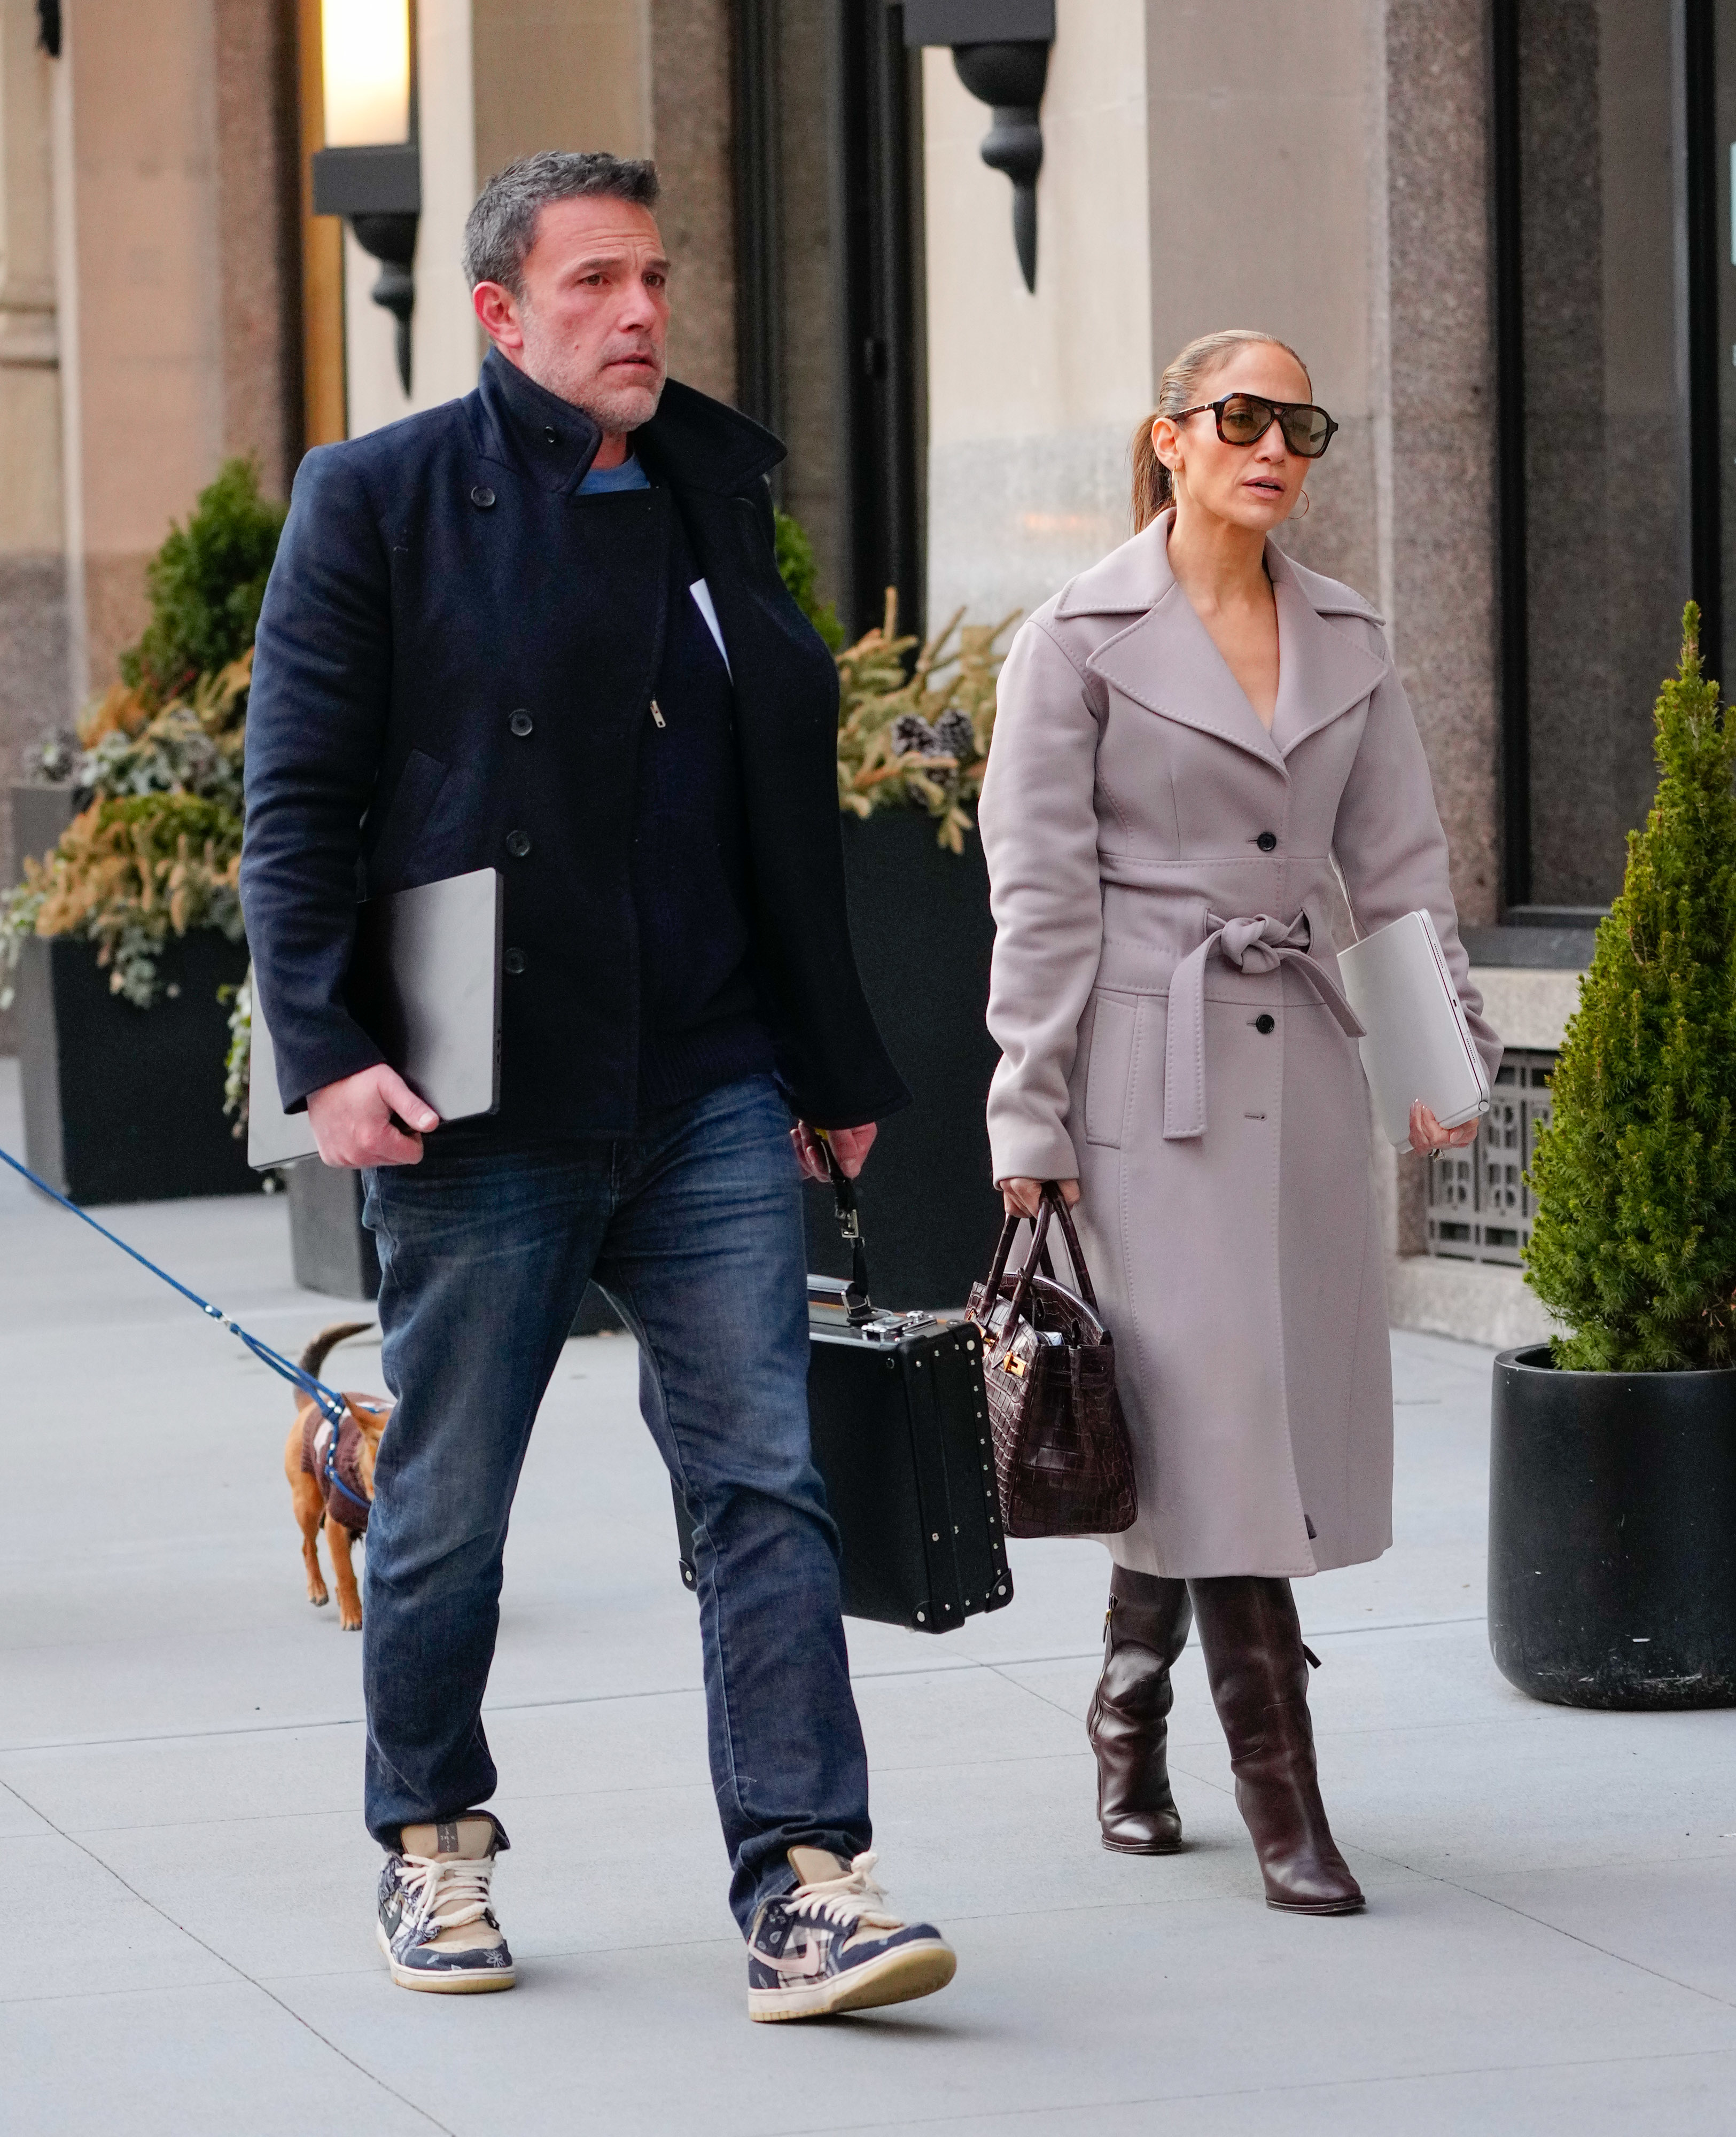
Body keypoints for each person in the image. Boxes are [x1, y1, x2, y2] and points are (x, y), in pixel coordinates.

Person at [240, 151, 956, 2019]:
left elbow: (773, 816)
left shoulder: (713, 486)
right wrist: (328, 1051)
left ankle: (805, 1881)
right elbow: (296, 802)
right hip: (485, 1089)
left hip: (708, 1077)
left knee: (762, 1485)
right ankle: (431, 1841)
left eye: (653, 277)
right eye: (594, 284)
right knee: (450, 1500)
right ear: (499, 313)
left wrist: (825, 1056)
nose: (640, 312)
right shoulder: (380, 498)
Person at [977, 329, 1499, 1915]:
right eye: (1243, 417)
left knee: (1223, 1431)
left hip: (1307, 1076)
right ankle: (1288, 1812)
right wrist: (1027, 1113)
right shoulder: (1074, 640)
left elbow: (1397, 871)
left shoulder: (1349, 635)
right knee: (1218, 1428)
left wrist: (1443, 1058)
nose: (1274, 447)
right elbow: (1039, 899)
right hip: (1150, 1083)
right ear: (1172, 438)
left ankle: (1124, 1710)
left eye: (1300, 426)